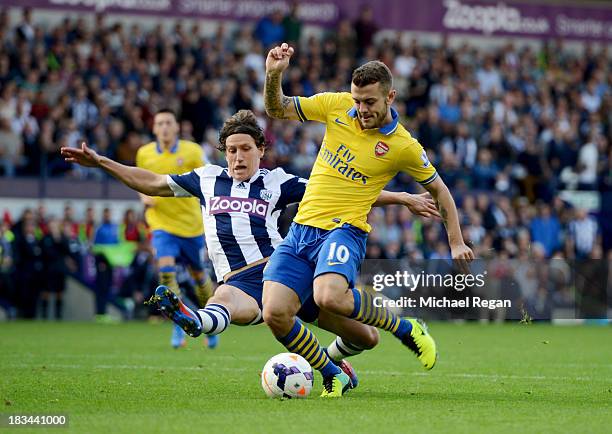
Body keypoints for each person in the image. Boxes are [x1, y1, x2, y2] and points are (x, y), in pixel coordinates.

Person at [61, 110, 441, 391]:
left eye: (245, 149)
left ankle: (329, 361)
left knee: (366, 339)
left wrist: (403, 197)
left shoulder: (278, 181)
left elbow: (342, 193)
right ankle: (196, 322)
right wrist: (103, 163)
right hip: (239, 280)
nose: (238, 157)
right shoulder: (206, 179)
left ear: (261, 149)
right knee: (223, 304)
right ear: (223, 153)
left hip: (283, 271)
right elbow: (152, 182)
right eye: (231, 150)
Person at [262, 43, 474, 397]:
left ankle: (406, 328)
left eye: (370, 102)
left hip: (345, 231)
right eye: (357, 100)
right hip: (301, 230)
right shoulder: (336, 106)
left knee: (329, 297)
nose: (361, 109)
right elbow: (277, 108)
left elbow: (441, 192)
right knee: (274, 313)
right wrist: (274, 75)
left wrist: (456, 241)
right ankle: (333, 374)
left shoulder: (403, 146)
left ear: (390, 96)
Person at [135, 108, 215, 349]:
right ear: (154, 128)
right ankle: (179, 324)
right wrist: (142, 196)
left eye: (169, 122)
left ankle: (211, 322)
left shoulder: (192, 151)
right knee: (166, 273)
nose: (165, 127)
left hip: (191, 225)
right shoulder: (144, 154)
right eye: (160, 123)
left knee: (199, 277)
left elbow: (206, 178)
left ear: (177, 127)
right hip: (161, 224)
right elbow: (139, 179)